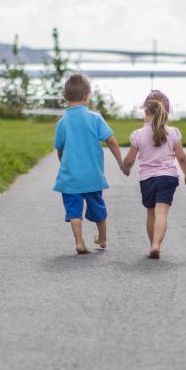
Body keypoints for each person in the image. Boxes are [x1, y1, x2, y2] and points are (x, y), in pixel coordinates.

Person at [54, 73, 125, 254]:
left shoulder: (62, 123)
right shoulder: (95, 119)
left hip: (70, 177)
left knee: (74, 210)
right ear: (87, 96)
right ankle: (102, 238)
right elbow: (111, 141)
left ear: (65, 97)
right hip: (92, 175)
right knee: (98, 207)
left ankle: (79, 241)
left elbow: (60, 149)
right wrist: (121, 162)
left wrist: (63, 163)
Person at [121, 91, 186, 259]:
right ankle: (156, 244)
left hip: (147, 180)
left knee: (151, 212)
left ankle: (152, 243)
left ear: (146, 112)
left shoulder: (138, 135)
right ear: (167, 112)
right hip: (167, 178)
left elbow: (130, 160)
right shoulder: (173, 133)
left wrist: (125, 168)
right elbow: (181, 157)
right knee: (162, 213)